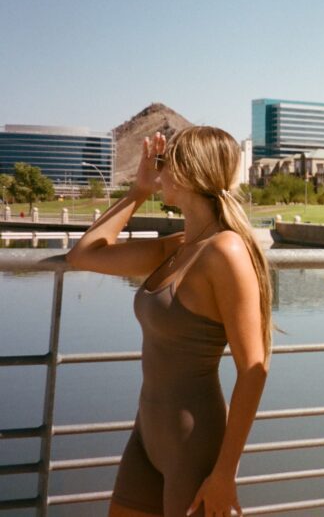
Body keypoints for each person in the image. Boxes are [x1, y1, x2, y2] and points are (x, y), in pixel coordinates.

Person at [67, 127, 272, 517]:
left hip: (193, 446)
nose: (157, 170)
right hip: (146, 436)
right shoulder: (178, 247)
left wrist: (224, 473)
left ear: (189, 171)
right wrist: (138, 191)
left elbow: (254, 370)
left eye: (165, 162)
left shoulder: (225, 251)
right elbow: (85, 254)